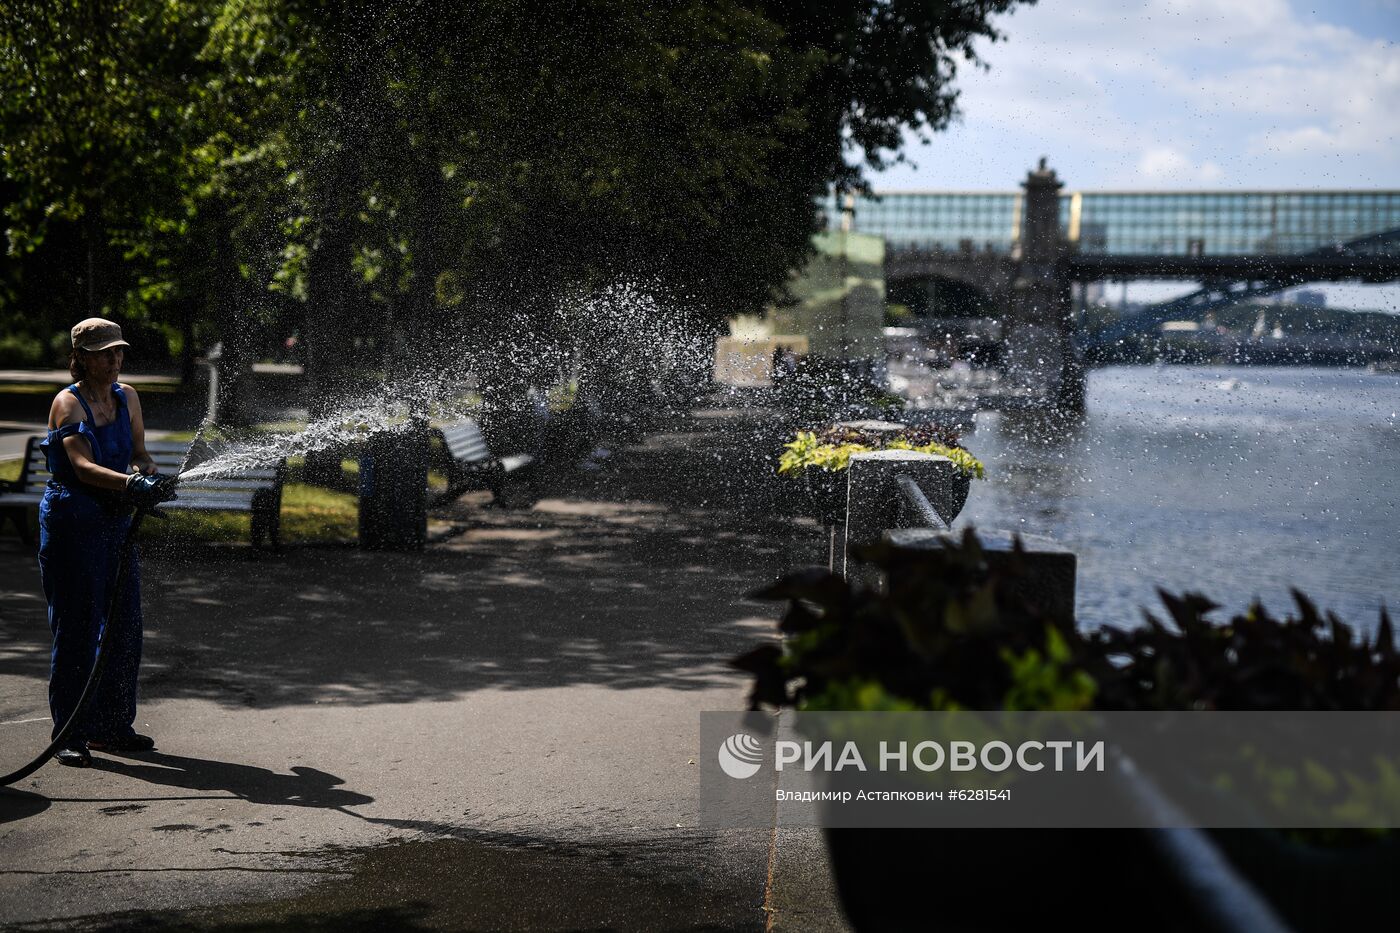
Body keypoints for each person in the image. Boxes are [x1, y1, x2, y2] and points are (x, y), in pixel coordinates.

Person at [40, 318, 176, 767]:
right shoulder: (68, 404)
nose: (115, 360)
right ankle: (71, 734)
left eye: (118, 351)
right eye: (104, 353)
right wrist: (130, 487)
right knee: (78, 629)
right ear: (80, 358)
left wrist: (145, 474)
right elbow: (80, 465)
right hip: (73, 524)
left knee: (123, 627)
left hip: (115, 523)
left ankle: (112, 727)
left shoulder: (127, 396)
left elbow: (138, 452)